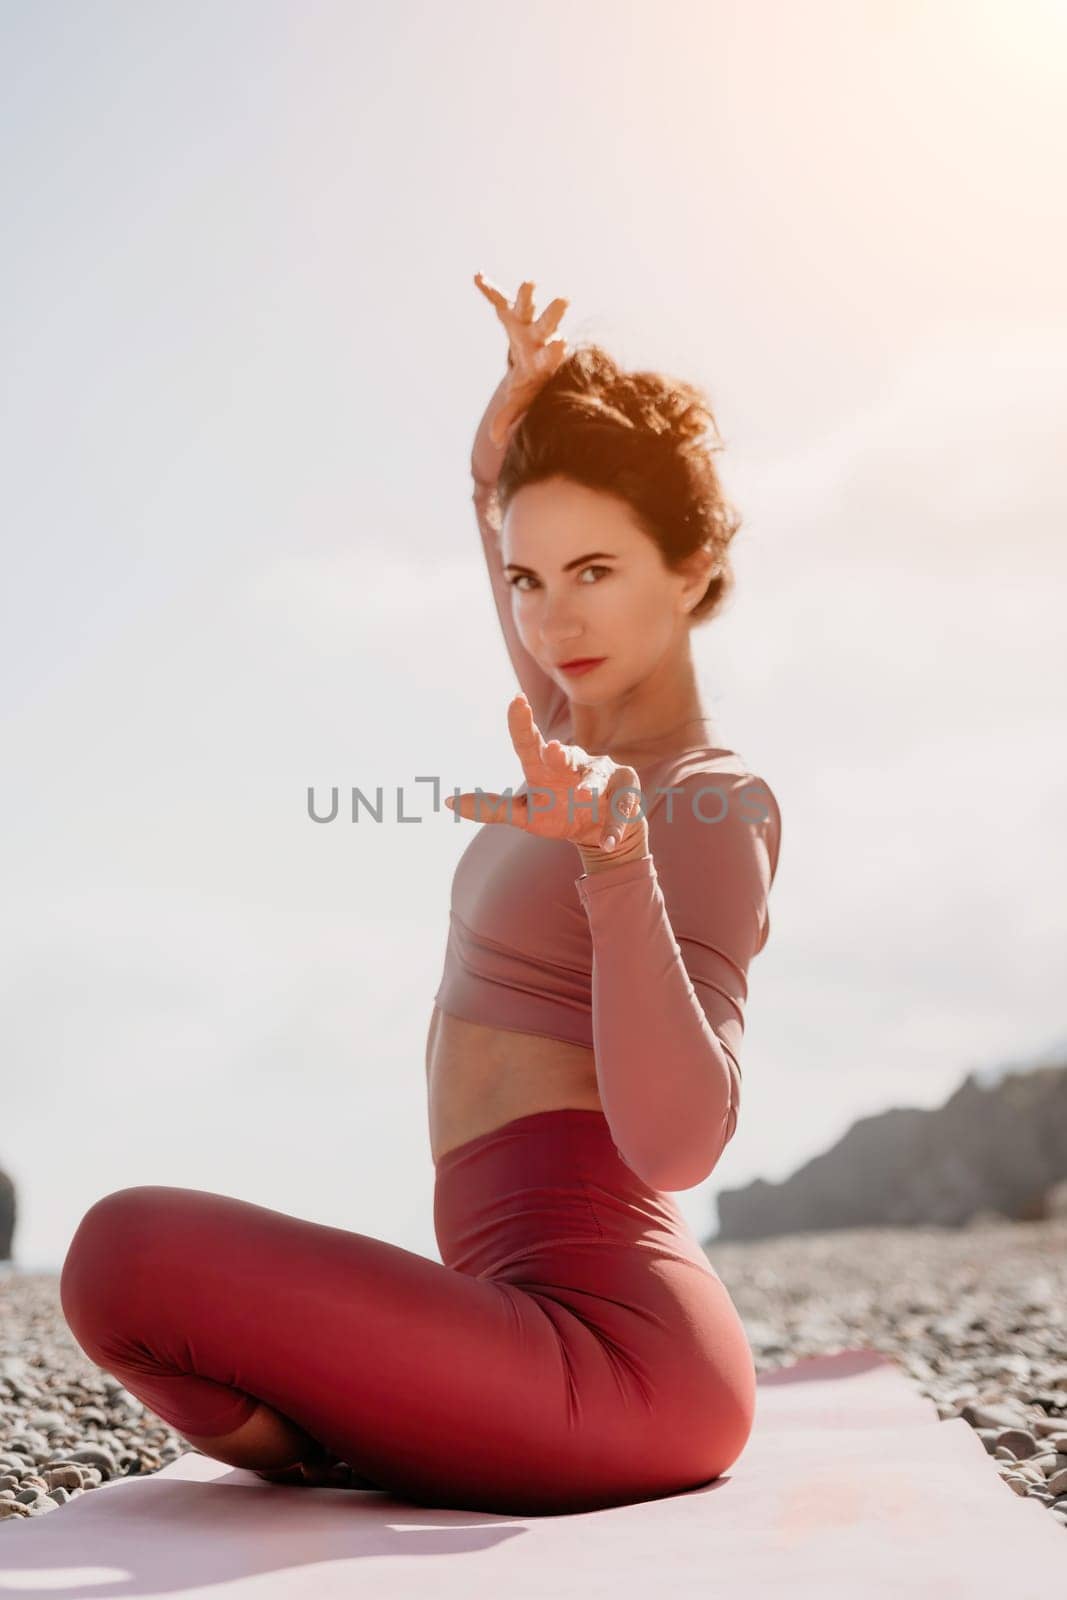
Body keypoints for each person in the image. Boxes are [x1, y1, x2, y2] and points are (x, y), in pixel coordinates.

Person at [58, 276, 782, 1516]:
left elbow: (680, 1142)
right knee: (116, 1269)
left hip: (616, 1362)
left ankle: (342, 1448)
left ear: (691, 567)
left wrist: (616, 860)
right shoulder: (570, 722)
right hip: (508, 1312)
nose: (554, 620)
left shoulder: (710, 801)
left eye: (595, 569)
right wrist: (492, 459)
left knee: (127, 1248)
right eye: (525, 580)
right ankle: (356, 1443)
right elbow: (519, 566)